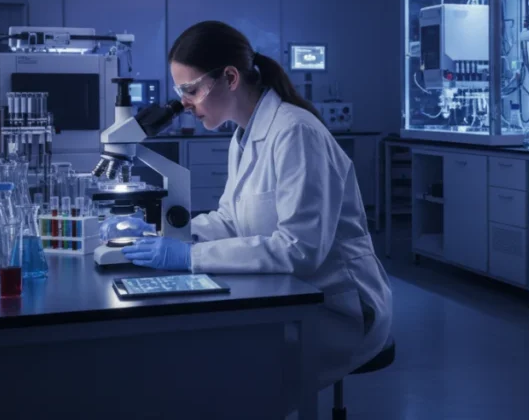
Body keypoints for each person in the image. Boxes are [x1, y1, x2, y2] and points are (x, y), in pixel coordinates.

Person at [121, 20, 392, 391]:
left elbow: (300, 249)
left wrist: (189, 258)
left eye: (191, 89)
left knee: (221, 370)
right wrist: (169, 234)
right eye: (180, 91)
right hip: (284, 291)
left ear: (230, 78)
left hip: (335, 307)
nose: (184, 104)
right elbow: (232, 218)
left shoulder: (296, 132)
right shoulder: (243, 136)